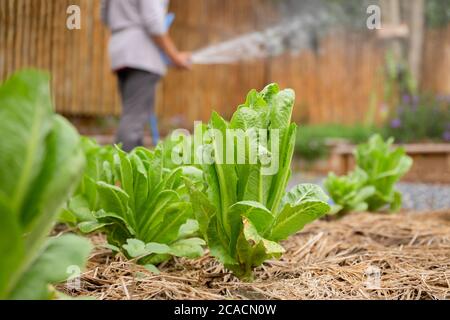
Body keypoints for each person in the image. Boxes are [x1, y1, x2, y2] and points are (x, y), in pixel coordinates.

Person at [101, 0, 191, 152]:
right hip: (141, 52)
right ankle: (122, 170)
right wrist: (175, 57)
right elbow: (154, 22)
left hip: (120, 48)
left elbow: (104, 15)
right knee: (134, 119)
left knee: (132, 114)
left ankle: (130, 166)